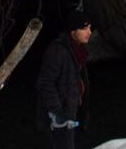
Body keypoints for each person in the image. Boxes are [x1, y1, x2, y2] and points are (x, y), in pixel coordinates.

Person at [37, 10, 92, 149]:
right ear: (73, 31)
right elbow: (45, 83)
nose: (89, 32)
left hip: (71, 112)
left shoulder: (79, 52)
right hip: (58, 118)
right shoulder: (58, 51)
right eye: (84, 28)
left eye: (90, 28)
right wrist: (57, 112)